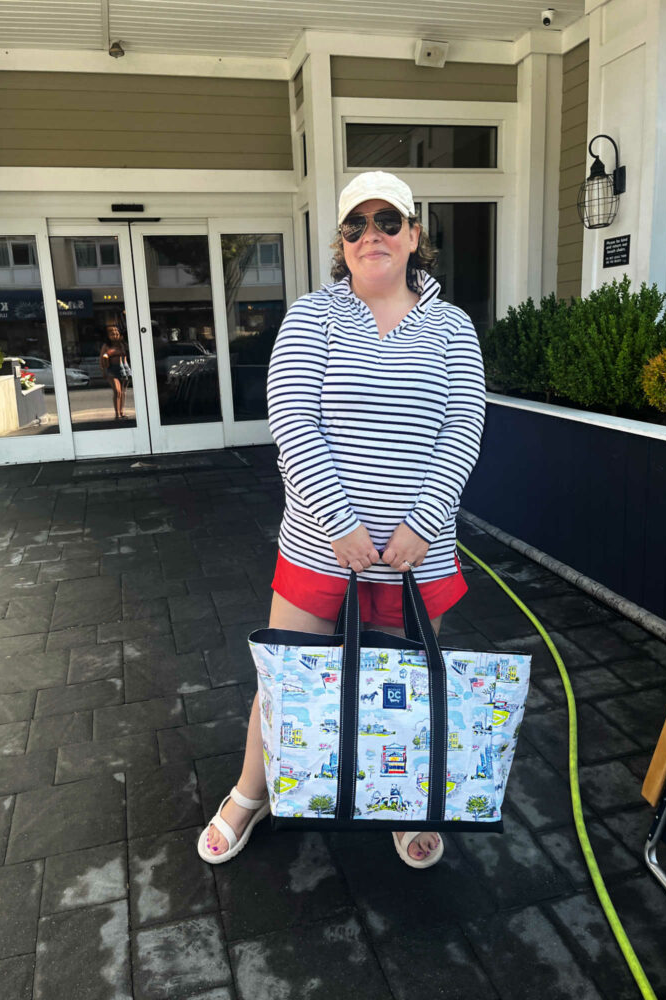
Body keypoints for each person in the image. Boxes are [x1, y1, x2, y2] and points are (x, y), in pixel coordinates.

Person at [198, 171, 486, 869]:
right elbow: (292, 422)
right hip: (321, 551)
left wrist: (421, 522)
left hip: (420, 554)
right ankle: (250, 792)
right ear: (341, 242)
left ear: (415, 236)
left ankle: (397, 800)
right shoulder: (311, 316)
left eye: (389, 221)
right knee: (289, 686)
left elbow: (464, 427)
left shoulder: (452, 327)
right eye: (356, 225)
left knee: (398, 689)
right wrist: (339, 523)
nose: (372, 236)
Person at [99, 326, 131, 420]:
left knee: (123, 392)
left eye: (117, 333)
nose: (115, 335)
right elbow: (102, 358)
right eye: (112, 334)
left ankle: (122, 412)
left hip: (124, 369)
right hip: (112, 369)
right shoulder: (106, 346)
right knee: (117, 391)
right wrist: (103, 370)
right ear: (108, 336)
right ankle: (117, 414)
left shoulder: (123, 344)